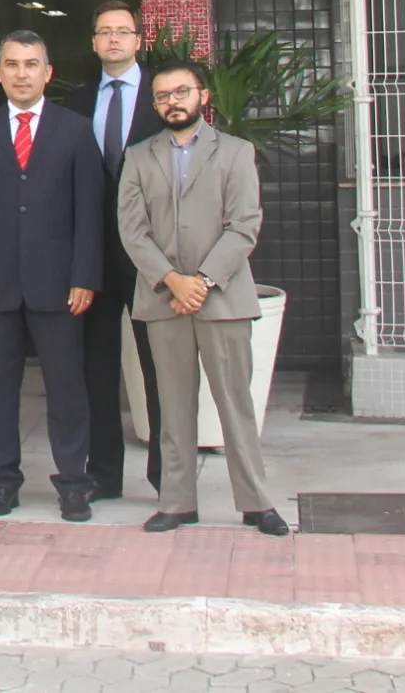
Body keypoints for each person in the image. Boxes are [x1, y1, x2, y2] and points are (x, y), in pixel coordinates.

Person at [118, 58, 289, 537]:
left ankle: (255, 503)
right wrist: (173, 280)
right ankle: (177, 502)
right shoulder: (139, 156)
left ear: (202, 96)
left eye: (182, 92)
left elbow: (244, 226)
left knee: (235, 403)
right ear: (155, 105)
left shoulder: (235, 152)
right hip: (163, 300)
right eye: (163, 96)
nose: (173, 102)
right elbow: (132, 231)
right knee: (171, 406)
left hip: (222, 299)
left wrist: (204, 280)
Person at [0, 30, 103, 522]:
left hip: (60, 284)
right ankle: (4, 482)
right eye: (12, 64)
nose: (21, 73)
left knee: (66, 387)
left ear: (47, 72)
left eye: (31, 64)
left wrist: (85, 276)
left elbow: (89, 212)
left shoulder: (76, 130)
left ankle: (74, 484)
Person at [80, 0, 168, 500]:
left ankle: (165, 475)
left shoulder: (162, 97)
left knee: (160, 366)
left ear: (138, 40)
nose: (114, 39)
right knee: (96, 366)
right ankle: (103, 474)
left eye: (123, 31)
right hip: (93, 253)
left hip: (151, 255)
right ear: (93, 42)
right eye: (104, 31)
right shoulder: (74, 103)